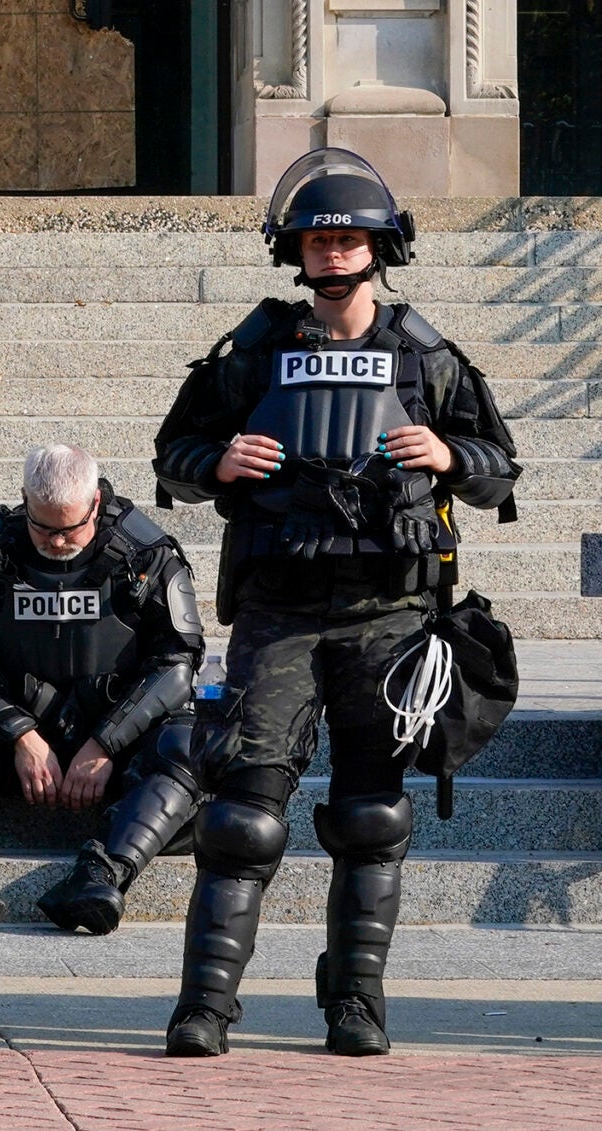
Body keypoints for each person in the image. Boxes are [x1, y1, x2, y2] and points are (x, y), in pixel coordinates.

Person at [154, 148, 521, 1058]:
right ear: (295, 251)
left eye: (348, 239)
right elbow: (173, 456)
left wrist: (448, 455)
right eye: (318, 241)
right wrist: (218, 461)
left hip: (389, 617)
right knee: (242, 817)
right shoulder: (253, 353)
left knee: (371, 815)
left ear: (379, 248)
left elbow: (499, 468)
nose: (332, 253)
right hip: (278, 613)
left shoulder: (426, 355)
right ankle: (205, 1006)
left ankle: (356, 1000)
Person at [0, 444, 203, 936]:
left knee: (189, 746)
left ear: (95, 502)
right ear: (25, 500)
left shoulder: (147, 553)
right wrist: (21, 736)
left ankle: (103, 876)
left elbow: (177, 665)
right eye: (44, 527)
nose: (57, 541)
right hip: (17, 743)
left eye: (70, 528)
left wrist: (105, 742)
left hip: (117, 742)